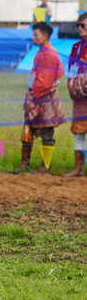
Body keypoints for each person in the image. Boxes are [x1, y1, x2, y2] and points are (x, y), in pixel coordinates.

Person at [14, 22, 65, 174]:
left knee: (46, 134)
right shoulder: (41, 51)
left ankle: (45, 167)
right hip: (34, 96)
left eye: (36, 35)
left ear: (45, 36)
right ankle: (25, 163)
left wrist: (33, 98)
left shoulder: (50, 54)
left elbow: (45, 82)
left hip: (46, 99)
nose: (33, 38)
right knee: (27, 131)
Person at [64, 12, 87, 177]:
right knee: (78, 131)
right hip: (79, 97)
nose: (79, 28)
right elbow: (70, 68)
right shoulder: (76, 47)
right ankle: (78, 169)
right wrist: (73, 86)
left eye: (83, 25)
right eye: (78, 25)